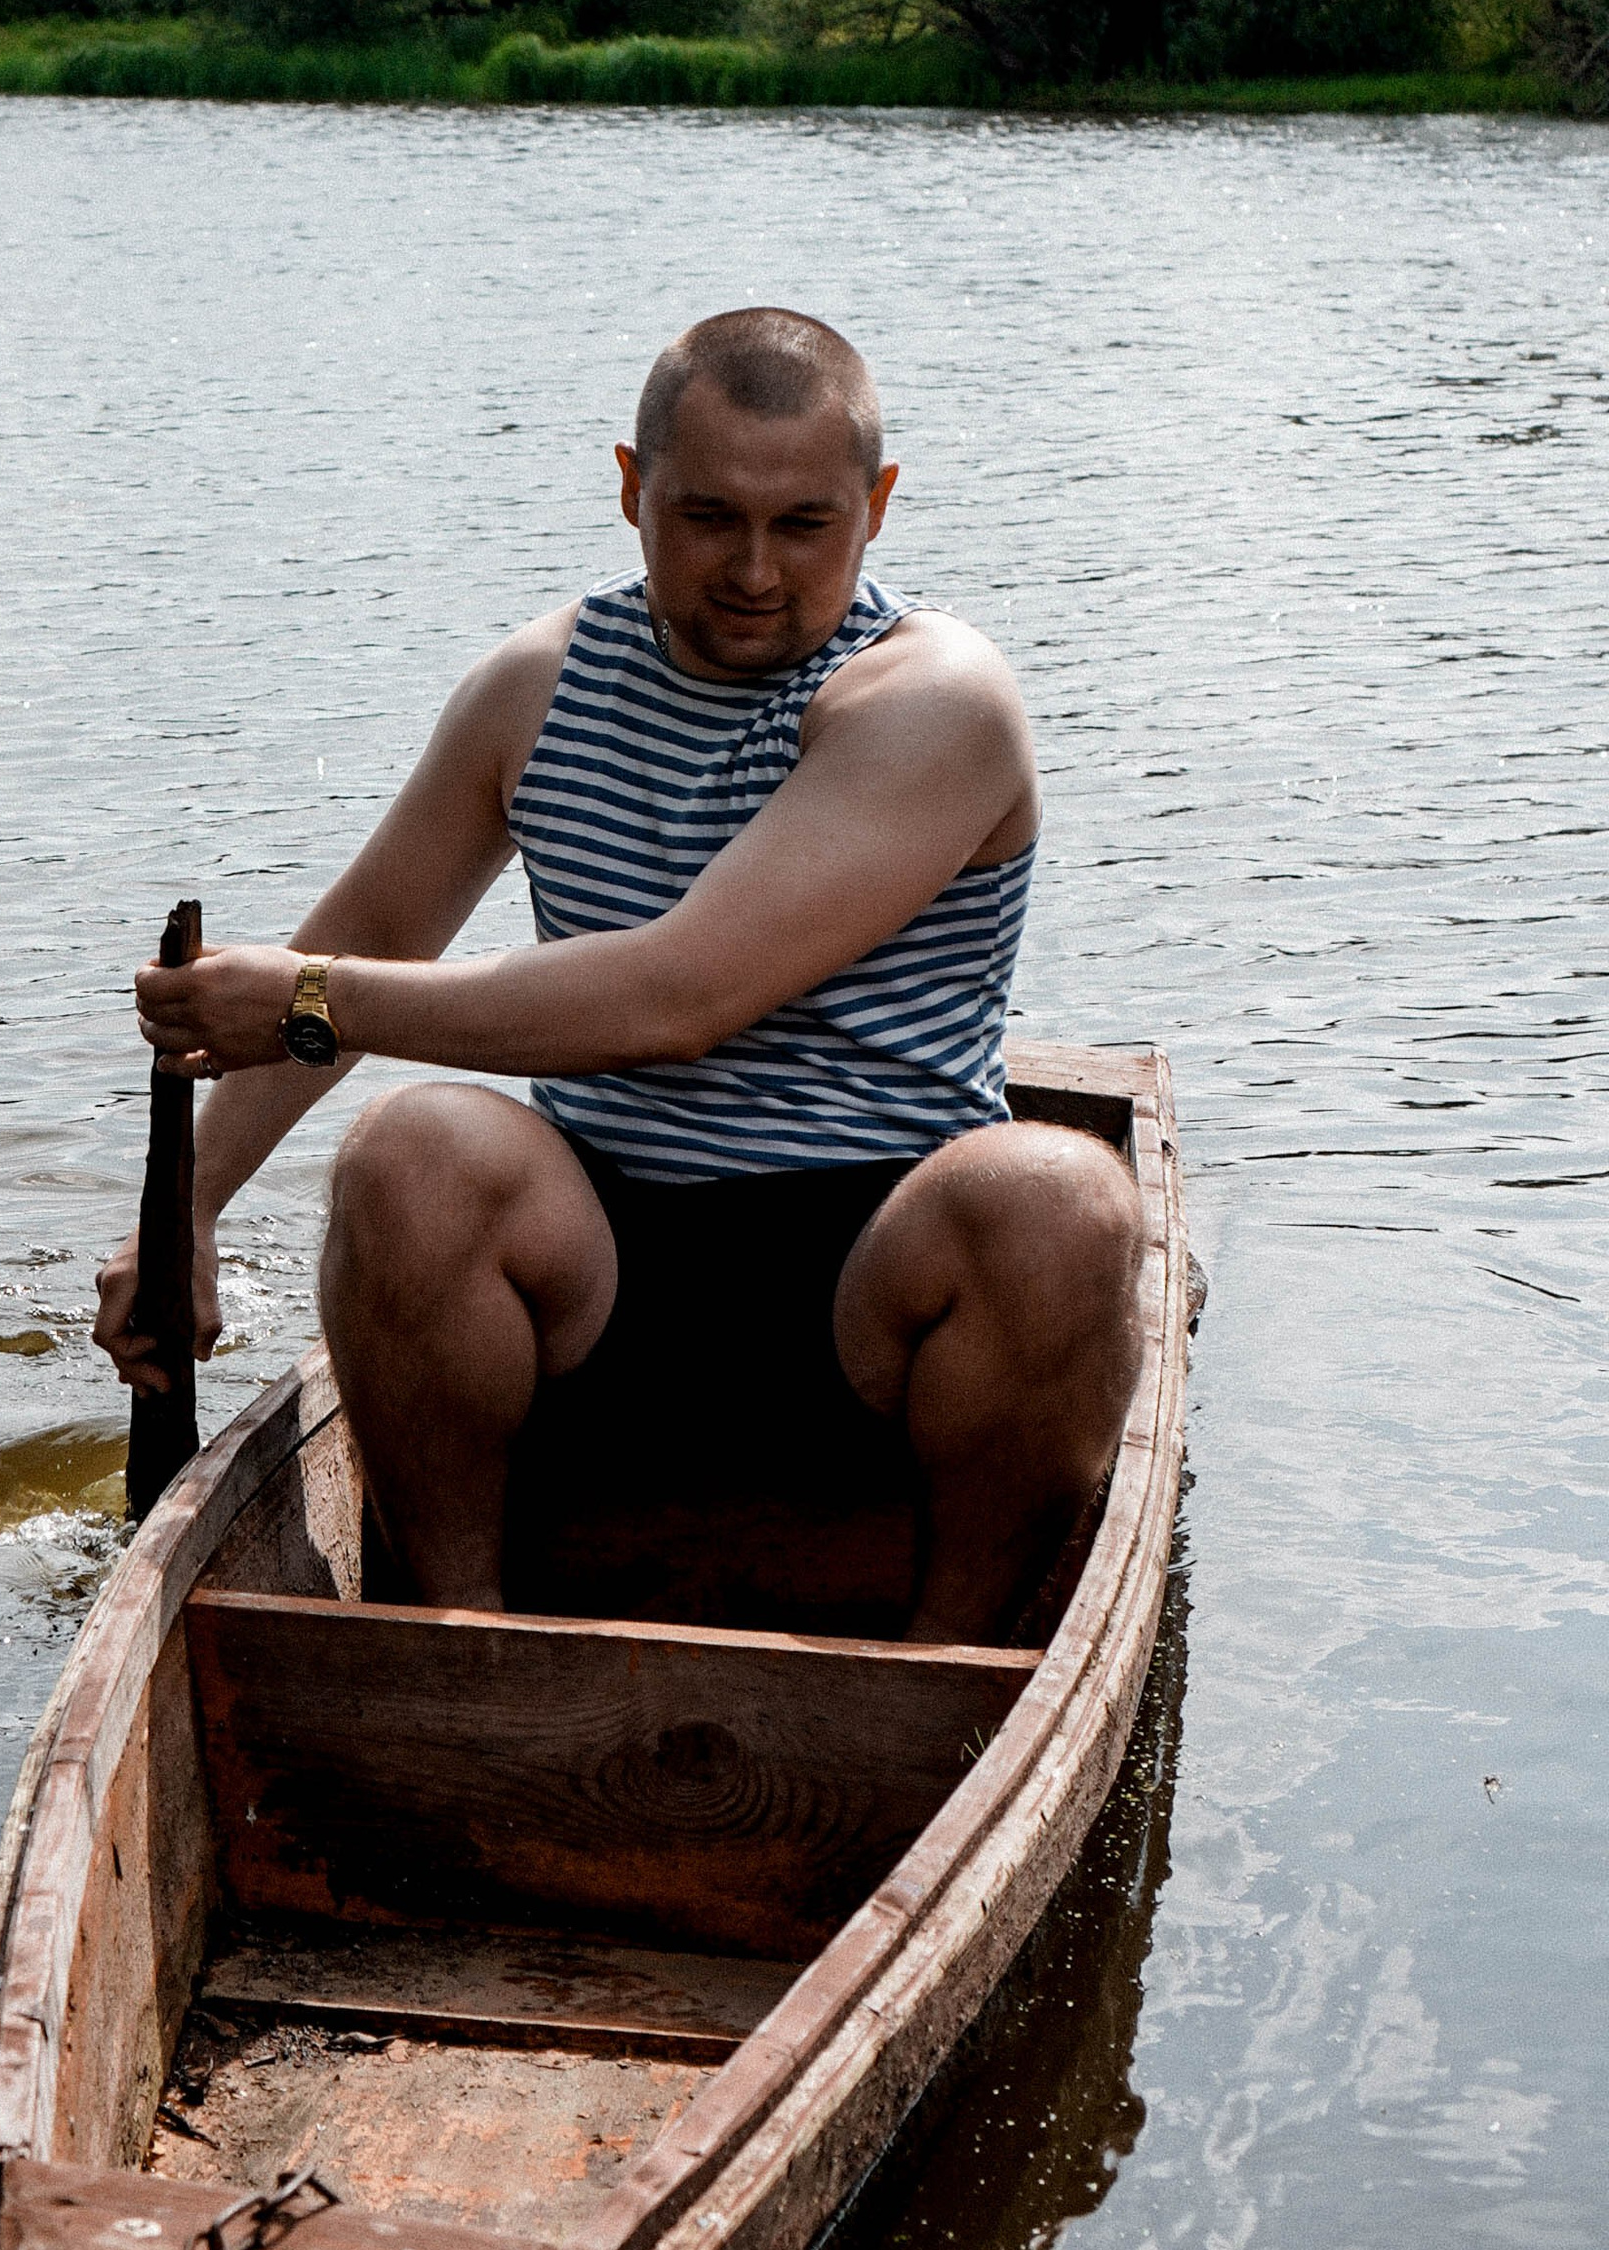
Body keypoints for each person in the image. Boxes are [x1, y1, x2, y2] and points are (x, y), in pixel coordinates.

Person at [91, 306, 1142, 1643]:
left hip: (882, 1293)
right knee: (408, 1156)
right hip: (600, 1279)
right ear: (632, 489)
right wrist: (181, 1220)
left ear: (877, 507)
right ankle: (459, 1642)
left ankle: (951, 1676)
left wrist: (306, 998)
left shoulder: (935, 698)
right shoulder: (535, 687)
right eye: (708, 517)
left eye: (805, 524)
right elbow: (375, 928)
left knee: (1059, 1199)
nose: (755, 570)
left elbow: (675, 1000)